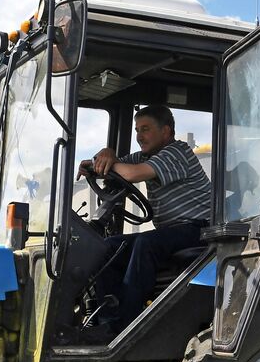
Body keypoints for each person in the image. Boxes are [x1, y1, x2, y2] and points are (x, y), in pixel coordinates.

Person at [82, 105, 212, 331]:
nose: (139, 136)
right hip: (172, 233)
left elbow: (132, 173)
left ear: (166, 131)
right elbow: (115, 165)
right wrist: (104, 156)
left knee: (145, 243)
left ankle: (127, 323)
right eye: (136, 130)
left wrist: (108, 160)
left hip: (199, 229)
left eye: (145, 129)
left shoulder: (177, 151)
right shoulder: (144, 155)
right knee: (107, 247)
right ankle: (107, 319)